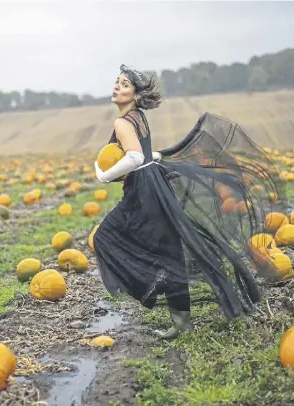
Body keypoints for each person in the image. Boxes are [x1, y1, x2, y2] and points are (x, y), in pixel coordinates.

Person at [93, 64, 287, 339]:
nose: (117, 87)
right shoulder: (139, 117)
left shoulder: (123, 122)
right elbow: (145, 154)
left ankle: (153, 284)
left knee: (105, 237)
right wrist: (155, 157)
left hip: (143, 191)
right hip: (154, 185)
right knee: (168, 250)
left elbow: (135, 158)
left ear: (135, 95)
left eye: (124, 84)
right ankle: (180, 320)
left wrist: (104, 176)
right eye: (117, 81)